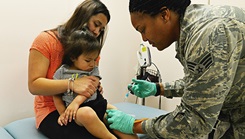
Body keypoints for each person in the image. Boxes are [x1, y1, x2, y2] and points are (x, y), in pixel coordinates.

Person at [106, 0, 245, 139]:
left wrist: (134, 125)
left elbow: (194, 122)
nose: (144, 38)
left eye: (143, 29)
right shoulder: (190, 28)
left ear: (164, 15)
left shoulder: (209, 34)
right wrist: (158, 88)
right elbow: (201, 85)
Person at [28, 0, 113, 138]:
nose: (97, 32)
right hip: (52, 109)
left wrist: (92, 87)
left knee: (120, 126)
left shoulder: (90, 51)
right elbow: (34, 85)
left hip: (83, 105)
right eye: (96, 24)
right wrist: (72, 84)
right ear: (83, 16)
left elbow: (90, 79)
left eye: (101, 29)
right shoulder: (46, 40)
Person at [53, 28, 138, 139]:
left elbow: (91, 87)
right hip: (79, 111)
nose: (92, 64)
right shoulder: (62, 72)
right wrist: (63, 113)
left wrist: (76, 102)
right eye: (88, 60)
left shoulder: (93, 71)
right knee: (87, 113)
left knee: (118, 119)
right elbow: (56, 94)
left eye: (95, 59)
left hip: (97, 104)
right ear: (73, 57)